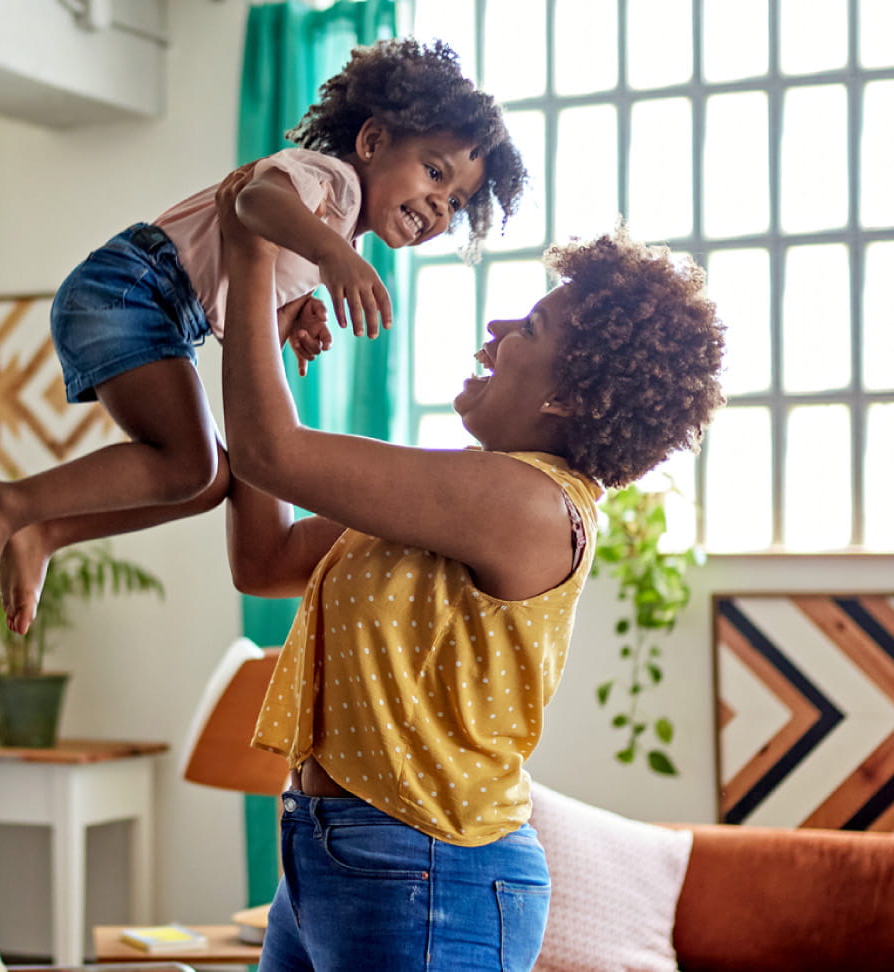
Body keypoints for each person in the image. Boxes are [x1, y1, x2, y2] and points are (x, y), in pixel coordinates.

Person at [216, 166, 725, 972]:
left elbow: (270, 451)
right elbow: (265, 558)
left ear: (569, 396)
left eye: (533, 324)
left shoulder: (525, 502)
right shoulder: (449, 497)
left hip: (425, 871)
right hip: (327, 853)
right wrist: (265, 335)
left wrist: (249, 254)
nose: (496, 324)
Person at [0, 39, 528, 633]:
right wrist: (330, 256)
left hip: (152, 307)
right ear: (373, 142)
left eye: (455, 202)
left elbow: (252, 295)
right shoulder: (330, 182)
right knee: (189, 465)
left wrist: (297, 313)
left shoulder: (337, 228)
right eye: (434, 172)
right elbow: (254, 201)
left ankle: (46, 528)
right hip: (131, 288)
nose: (438, 204)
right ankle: (4, 503)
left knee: (203, 482)